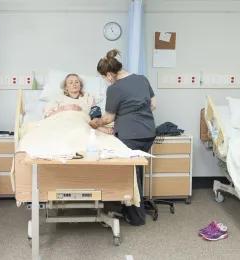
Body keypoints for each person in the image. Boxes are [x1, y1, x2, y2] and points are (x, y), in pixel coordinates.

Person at [88, 49, 158, 225]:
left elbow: (109, 118)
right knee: (136, 171)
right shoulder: (142, 79)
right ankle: (130, 209)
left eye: (104, 77)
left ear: (110, 74)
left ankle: (135, 217)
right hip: (148, 132)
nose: (105, 80)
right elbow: (153, 105)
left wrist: (95, 123)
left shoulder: (114, 89)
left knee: (130, 175)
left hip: (130, 135)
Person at [44, 73, 113, 135]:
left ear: (80, 85)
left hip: (84, 123)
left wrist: (98, 124)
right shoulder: (58, 98)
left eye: (77, 82)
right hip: (64, 123)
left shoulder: (88, 97)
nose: (74, 84)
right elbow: (47, 115)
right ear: (66, 87)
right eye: (70, 83)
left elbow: (94, 114)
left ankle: (96, 128)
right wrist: (65, 108)